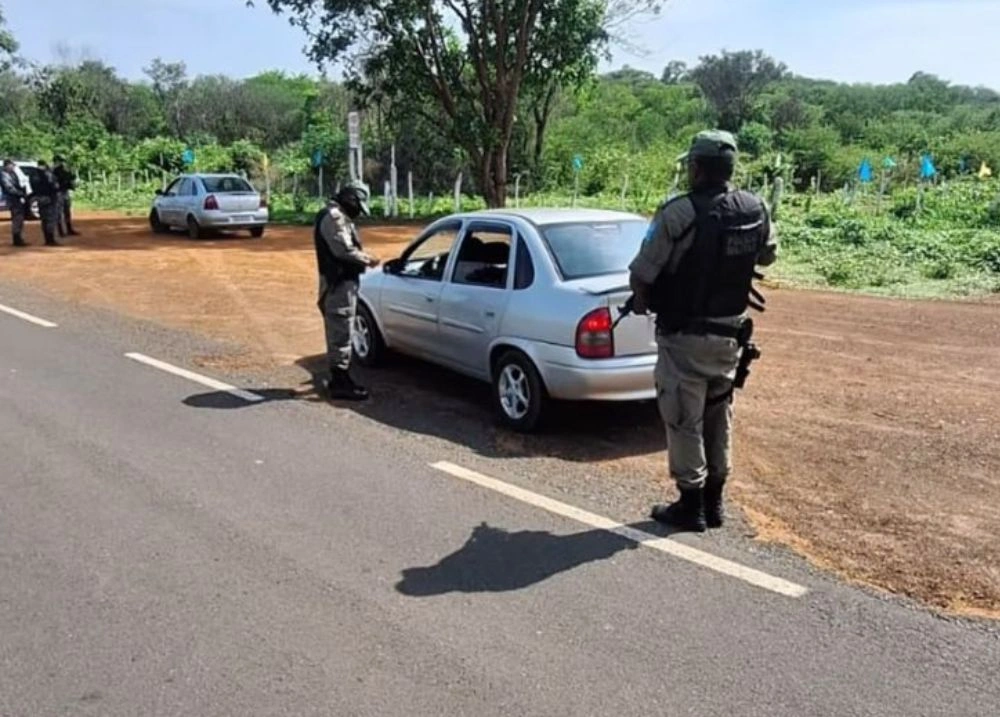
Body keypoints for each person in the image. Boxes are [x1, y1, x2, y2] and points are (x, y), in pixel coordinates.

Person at [627, 130, 778, 532]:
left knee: (682, 417)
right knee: (718, 414)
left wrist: (643, 300)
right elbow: (767, 254)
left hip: (684, 337)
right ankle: (715, 503)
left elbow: (642, 272)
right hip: (730, 337)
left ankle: (690, 505)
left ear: (696, 167)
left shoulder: (677, 213)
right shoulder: (755, 208)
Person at [313, 180, 380, 401]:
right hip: (338, 284)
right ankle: (340, 382)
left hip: (340, 282)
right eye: (358, 206)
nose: (358, 212)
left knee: (341, 329)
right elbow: (343, 250)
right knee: (341, 330)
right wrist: (368, 259)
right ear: (350, 199)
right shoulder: (335, 217)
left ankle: (340, 378)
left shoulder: (339, 216)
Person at [33, 160, 61, 246]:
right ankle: (50, 239)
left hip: (39, 198)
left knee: (44, 219)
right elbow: (53, 185)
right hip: (49, 198)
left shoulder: (33, 175)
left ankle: (47, 239)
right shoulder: (46, 175)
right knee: (50, 219)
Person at [1, 159, 28, 247]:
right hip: (12, 199)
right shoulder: (3, 175)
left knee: (19, 219)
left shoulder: (12, 174)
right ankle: (16, 238)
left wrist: (22, 190)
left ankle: (19, 237)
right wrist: (19, 193)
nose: (13, 167)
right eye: (12, 165)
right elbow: (9, 188)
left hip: (16, 198)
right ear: (7, 165)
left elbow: (17, 184)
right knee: (17, 219)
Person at [53, 155, 80, 237]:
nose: (62, 163)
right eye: (60, 161)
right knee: (59, 212)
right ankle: (61, 231)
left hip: (65, 191)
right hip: (58, 193)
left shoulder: (63, 170)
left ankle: (68, 229)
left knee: (67, 211)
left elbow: (71, 177)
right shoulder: (54, 171)